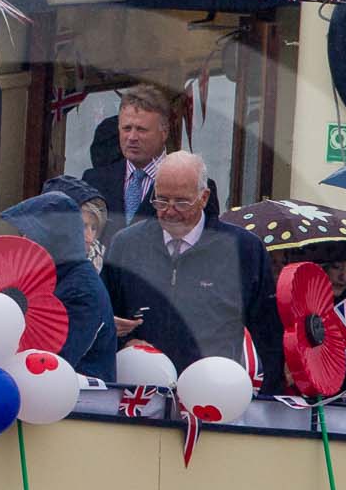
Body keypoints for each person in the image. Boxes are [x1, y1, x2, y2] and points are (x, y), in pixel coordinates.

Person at [100, 151, 282, 387]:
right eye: (162, 200)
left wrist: (266, 402)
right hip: (141, 393)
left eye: (182, 202)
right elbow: (103, 319)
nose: (170, 210)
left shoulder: (244, 250)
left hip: (216, 394)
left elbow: (267, 334)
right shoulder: (126, 245)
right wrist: (124, 342)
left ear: (204, 197)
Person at [0, 192, 118, 380]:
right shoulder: (53, 273)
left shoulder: (82, 291)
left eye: (31, 234)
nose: (24, 241)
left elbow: (56, 361)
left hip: (85, 398)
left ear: (54, 240)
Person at [80, 87, 219, 225]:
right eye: (127, 129)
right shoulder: (94, 181)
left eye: (141, 130)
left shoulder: (195, 186)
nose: (132, 137)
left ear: (164, 132)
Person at [42, 174, 109, 271]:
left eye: (94, 228)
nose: (89, 238)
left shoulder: (105, 264)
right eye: (82, 226)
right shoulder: (24, 259)